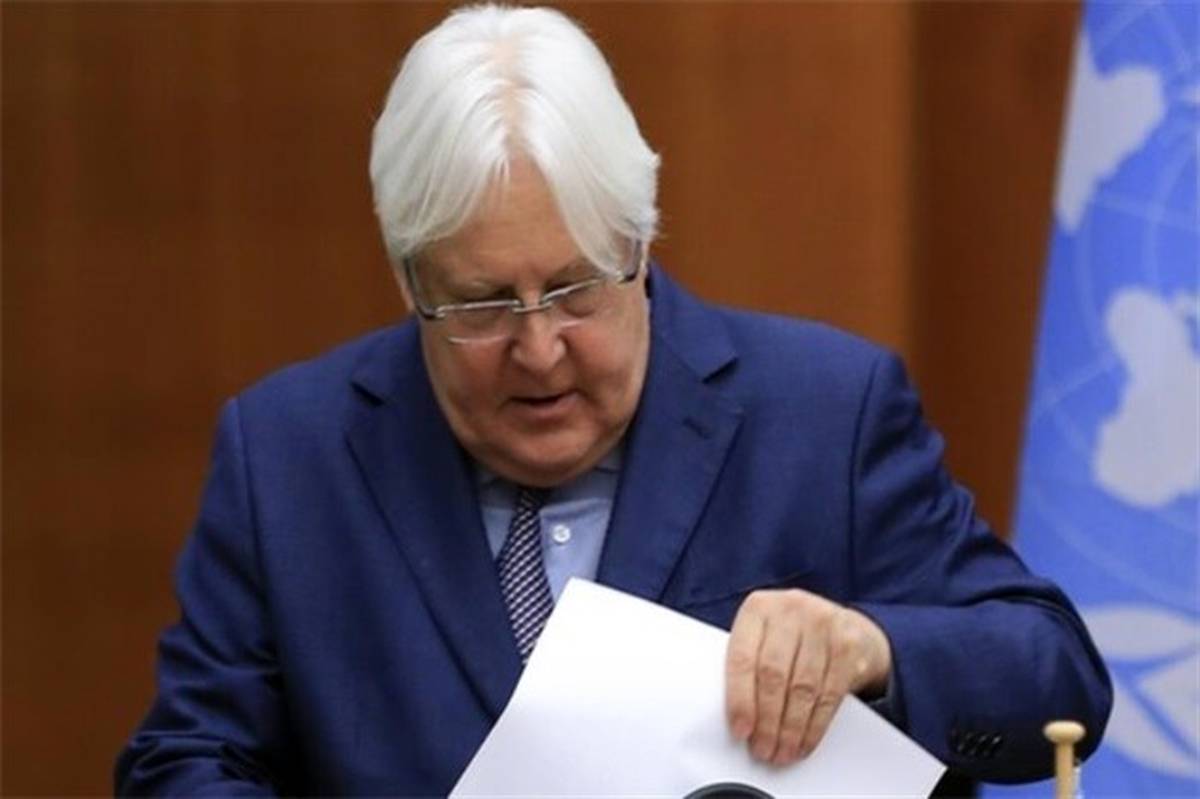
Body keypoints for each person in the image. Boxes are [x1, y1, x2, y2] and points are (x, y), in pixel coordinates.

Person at [116, 5, 1111, 795]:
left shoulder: (825, 415)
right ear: (410, 284)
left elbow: (1057, 678)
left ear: (639, 246)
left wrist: (874, 648)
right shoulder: (288, 457)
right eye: (483, 304)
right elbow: (187, 761)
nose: (540, 349)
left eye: (575, 288)